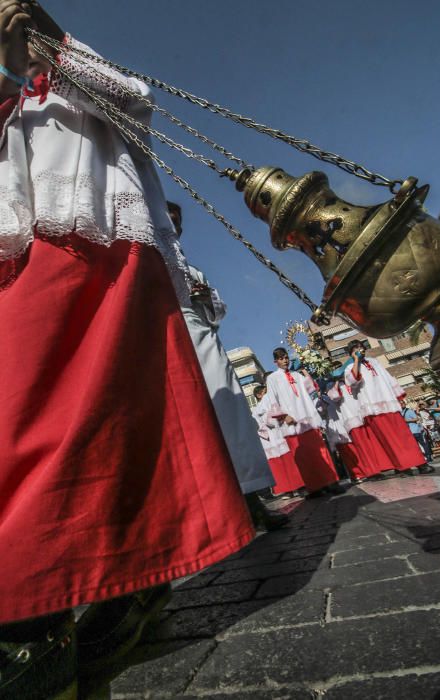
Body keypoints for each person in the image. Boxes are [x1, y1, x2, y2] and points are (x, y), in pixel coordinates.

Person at [0, 5, 254, 697]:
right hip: (19, 275)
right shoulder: (6, 113)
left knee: (80, 437)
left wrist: (41, 30)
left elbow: (132, 95)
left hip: (96, 267)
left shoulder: (86, 90)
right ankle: (85, 604)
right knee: (33, 437)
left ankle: (40, 628)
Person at [166, 202, 287, 531]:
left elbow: (218, 311)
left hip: (203, 336)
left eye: (178, 221)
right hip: (168, 334)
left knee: (230, 411)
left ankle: (251, 499)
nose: (174, 225)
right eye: (169, 219)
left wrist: (205, 298)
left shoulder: (193, 269)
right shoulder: (149, 252)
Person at [344, 341, 435, 476]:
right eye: (355, 349)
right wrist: (356, 360)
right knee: (389, 440)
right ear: (350, 353)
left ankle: (421, 463)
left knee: (405, 436)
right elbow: (353, 380)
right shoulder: (350, 367)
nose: (359, 350)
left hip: (389, 403)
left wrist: (397, 396)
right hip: (373, 409)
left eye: (360, 347)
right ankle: (403, 467)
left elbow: (388, 377)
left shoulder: (375, 362)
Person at [266, 348, 344, 496]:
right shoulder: (272, 378)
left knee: (321, 452)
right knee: (303, 458)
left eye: (286, 357)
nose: (285, 360)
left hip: (307, 418)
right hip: (292, 422)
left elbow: (311, 389)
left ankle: (331, 482)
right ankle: (314, 487)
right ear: (275, 361)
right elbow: (272, 400)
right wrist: (283, 416)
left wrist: (305, 371)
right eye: (281, 358)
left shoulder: (297, 375)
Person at [325, 377, 390, 483]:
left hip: (362, 414)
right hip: (350, 418)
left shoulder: (349, 379)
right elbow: (335, 396)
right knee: (361, 448)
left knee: (372, 445)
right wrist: (337, 381)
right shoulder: (330, 386)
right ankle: (371, 472)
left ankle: (380, 467)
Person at [252, 384, 307, 497]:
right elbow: (259, 424)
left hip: (280, 434)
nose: (268, 393)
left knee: (290, 461)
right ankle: (287, 490)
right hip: (269, 440)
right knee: (278, 467)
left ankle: (300, 486)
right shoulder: (256, 410)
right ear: (259, 395)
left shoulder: (272, 401)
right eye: (264, 392)